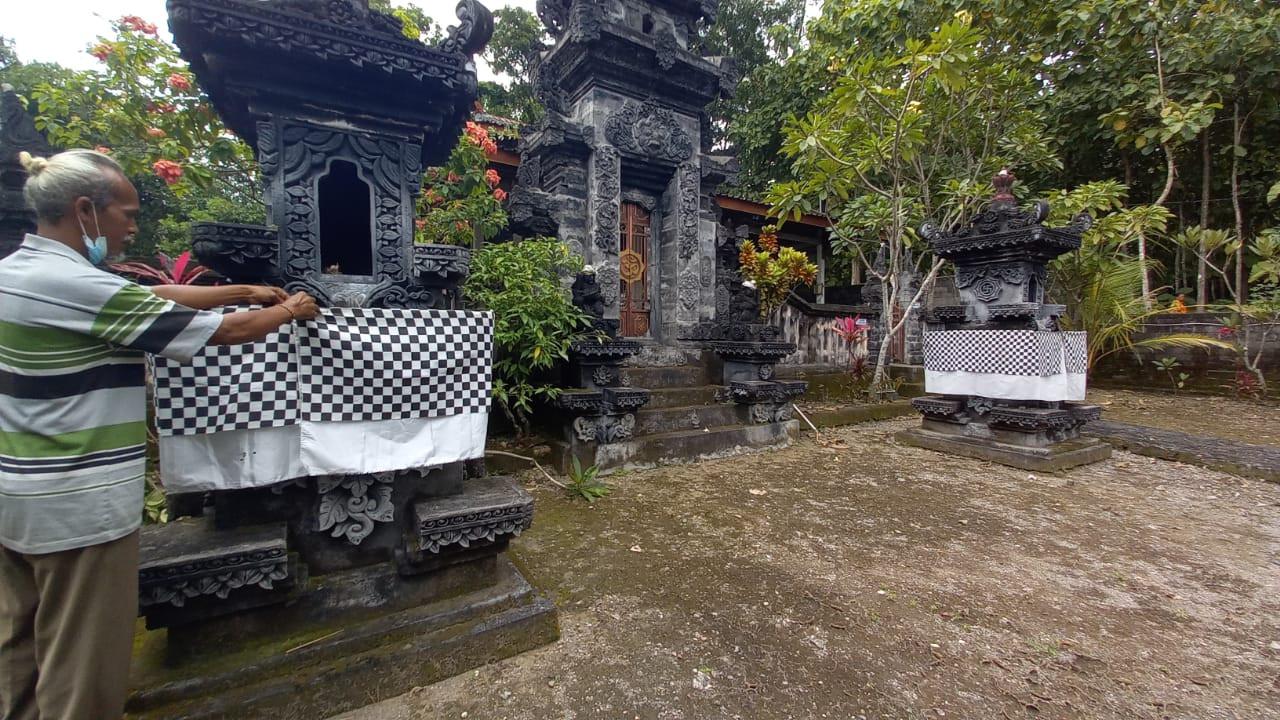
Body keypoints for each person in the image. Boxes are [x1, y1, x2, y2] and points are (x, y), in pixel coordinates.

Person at [0, 149, 319, 720]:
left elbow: (153, 298)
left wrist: (240, 288)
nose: (132, 226)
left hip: (17, 497)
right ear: (84, 211)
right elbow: (232, 333)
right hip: (76, 506)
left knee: (20, 646)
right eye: (126, 213)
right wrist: (290, 310)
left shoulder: (20, 273)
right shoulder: (79, 288)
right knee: (81, 664)